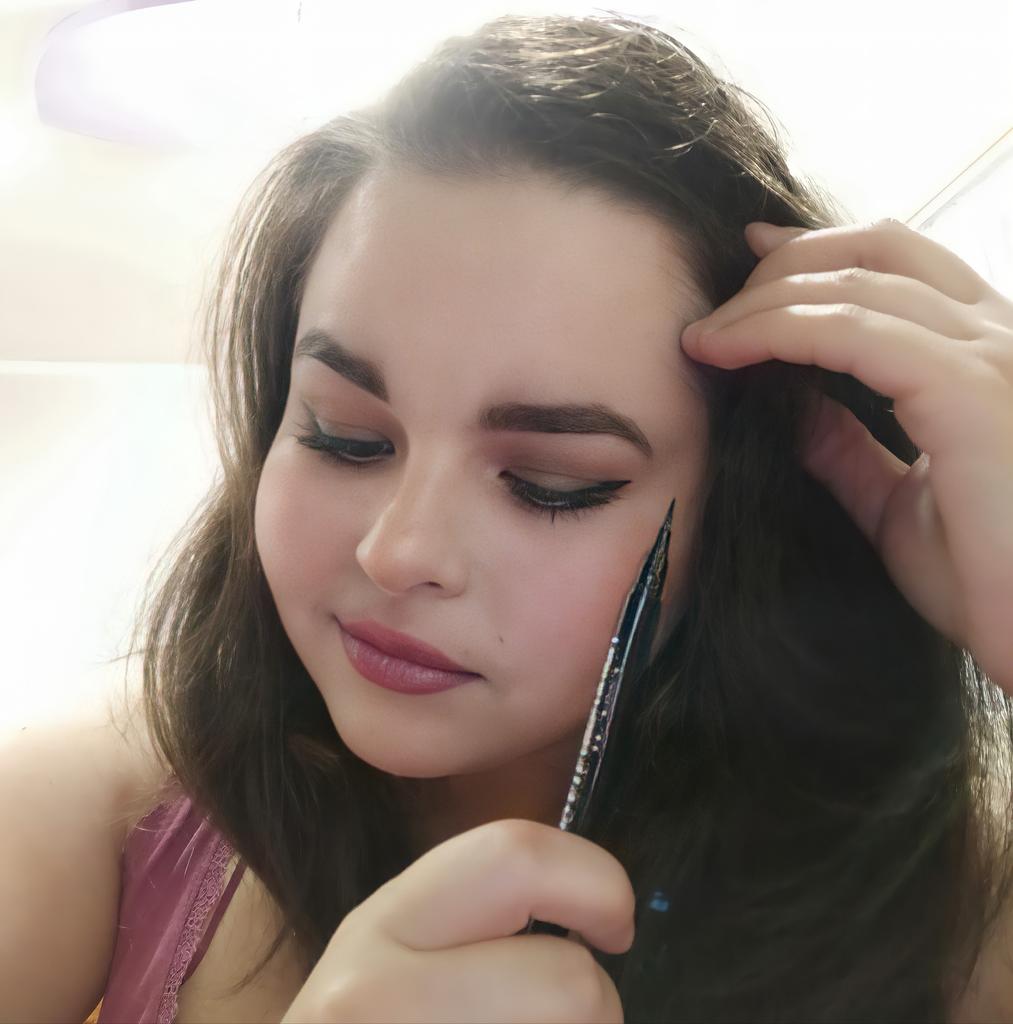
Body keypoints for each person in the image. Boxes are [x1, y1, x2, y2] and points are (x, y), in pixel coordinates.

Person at [5, 11, 1013, 1023]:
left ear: (738, 515)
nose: (398, 551)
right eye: (343, 435)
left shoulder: (952, 916)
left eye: (549, 482)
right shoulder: (107, 798)